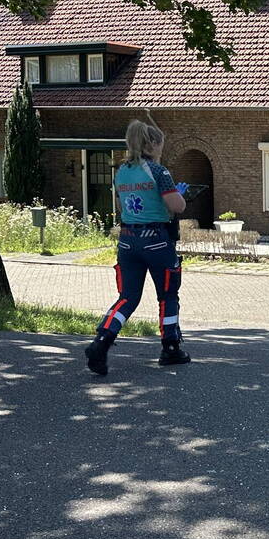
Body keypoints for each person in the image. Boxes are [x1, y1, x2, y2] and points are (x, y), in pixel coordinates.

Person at [85, 120, 190, 375]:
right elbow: (178, 206)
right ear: (151, 145)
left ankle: (101, 342)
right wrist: (178, 193)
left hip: (127, 240)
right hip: (156, 241)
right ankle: (170, 347)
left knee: (128, 297)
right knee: (167, 295)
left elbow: (122, 207)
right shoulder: (158, 171)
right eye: (160, 146)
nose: (161, 151)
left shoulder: (120, 172)